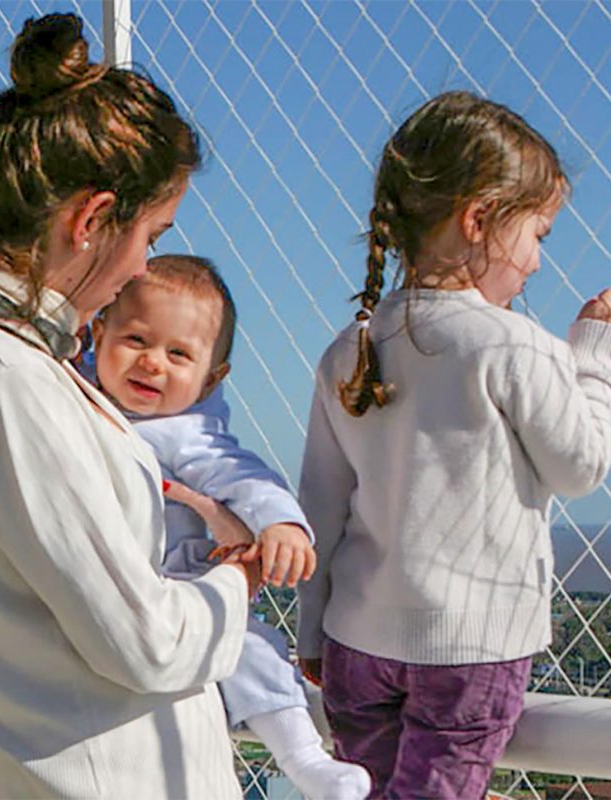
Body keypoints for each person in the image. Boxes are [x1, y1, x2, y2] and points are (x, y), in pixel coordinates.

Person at [0, 13, 260, 800]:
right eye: (152, 232)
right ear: (90, 219)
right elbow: (144, 643)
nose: (146, 263)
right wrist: (238, 580)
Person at [296, 90, 611, 800]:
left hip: (355, 642)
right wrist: (592, 354)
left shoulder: (350, 347)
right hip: (468, 651)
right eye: (538, 235)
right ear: (479, 220)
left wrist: (312, 632)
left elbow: (319, 506)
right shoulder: (512, 345)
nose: (535, 262)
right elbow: (581, 463)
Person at [86, 254, 372, 800]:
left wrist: (282, 523)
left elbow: (243, 474)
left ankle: (304, 758)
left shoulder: (184, 433)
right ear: (98, 334)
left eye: (178, 354)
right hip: (115, 590)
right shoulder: (75, 398)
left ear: (211, 378)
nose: (152, 364)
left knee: (251, 650)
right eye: (135, 340)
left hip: (185, 587)